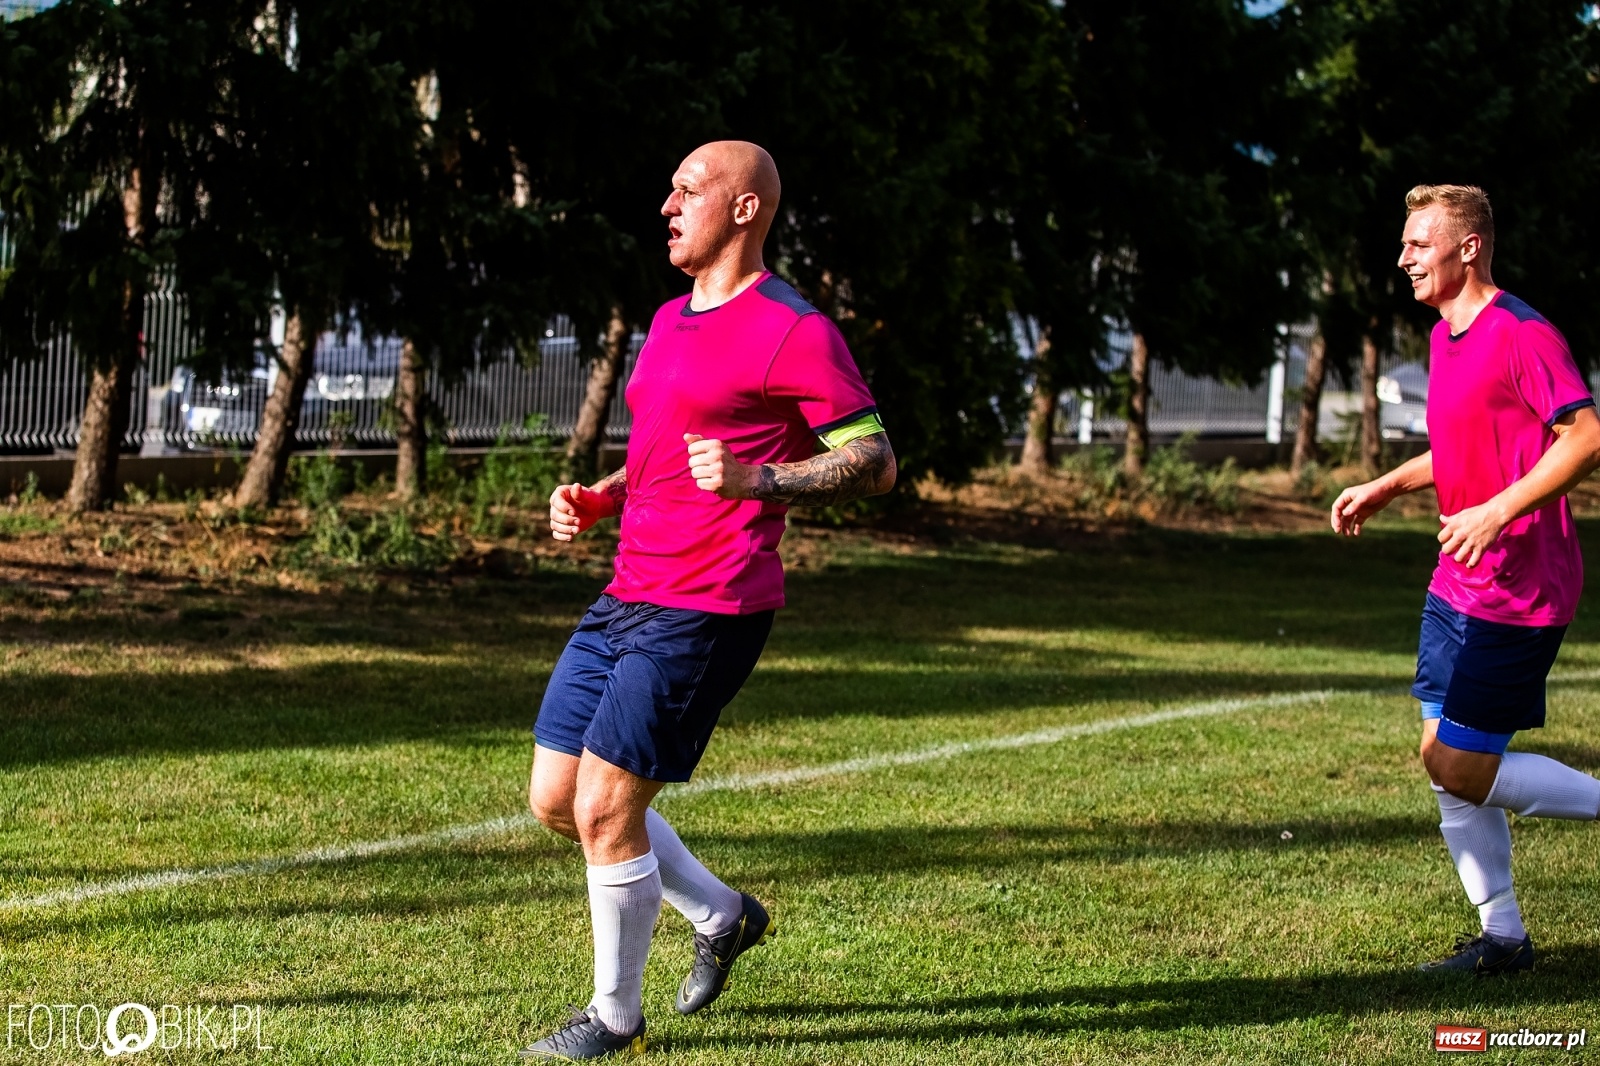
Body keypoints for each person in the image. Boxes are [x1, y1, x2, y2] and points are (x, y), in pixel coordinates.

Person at [519, 140, 896, 1059]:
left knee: (609, 811)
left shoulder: (793, 328)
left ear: (742, 209)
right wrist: (602, 495)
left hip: (709, 604)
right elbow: (665, 447)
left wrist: (757, 478)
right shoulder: (667, 316)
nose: (667, 204)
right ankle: (722, 915)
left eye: (687, 189)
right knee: (557, 799)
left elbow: (875, 461)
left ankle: (614, 1018)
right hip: (628, 590)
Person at [1332, 184, 1600, 974]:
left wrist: (1495, 512)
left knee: (1461, 766)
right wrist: (1386, 486)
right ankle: (1504, 939)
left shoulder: (1521, 332)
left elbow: (1583, 438)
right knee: (1439, 755)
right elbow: (1460, 445)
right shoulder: (1446, 338)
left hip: (1521, 589)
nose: (1404, 257)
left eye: (1419, 243)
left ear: (1468, 247)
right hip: (1457, 582)